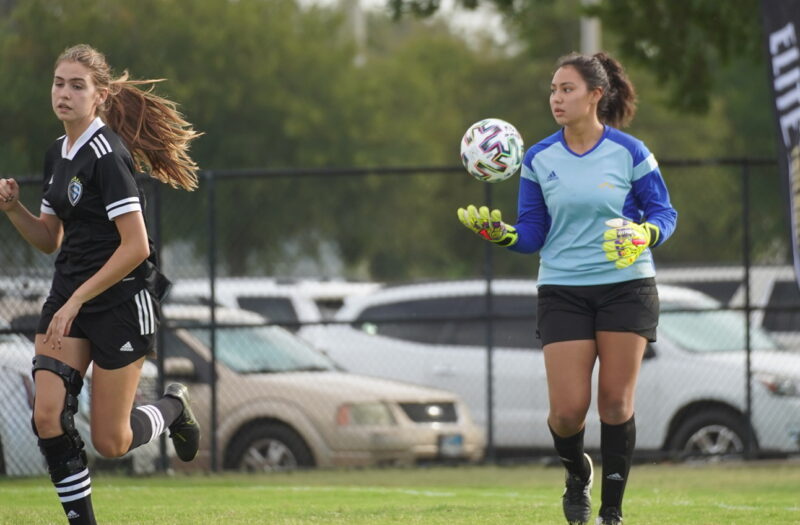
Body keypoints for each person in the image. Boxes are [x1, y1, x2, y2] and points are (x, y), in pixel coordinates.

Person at [458, 51, 678, 525]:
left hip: (627, 286)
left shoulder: (630, 152)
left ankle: (611, 514)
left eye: (567, 89)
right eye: (553, 90)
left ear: (596, 95)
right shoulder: (538, 158)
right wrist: (503, 235)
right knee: (566, 413)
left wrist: (645, 234)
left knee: (616, 402)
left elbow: (665, 214)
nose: (556, 98)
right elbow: (534, 232)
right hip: (563, 289)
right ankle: (577, 473)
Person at [0, 44, 202, 525]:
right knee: (48, 416)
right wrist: (12, 209)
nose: (64, 93)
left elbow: (136, 247)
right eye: (58, 83)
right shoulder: (57, 153)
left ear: (100, 95)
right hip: (70, 296)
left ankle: (173, 406)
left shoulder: (108, 155)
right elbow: (49, 239)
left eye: (76, 85)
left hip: (120, 302)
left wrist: (77, 300)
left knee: (112, 442)